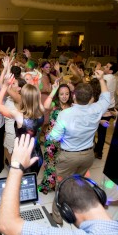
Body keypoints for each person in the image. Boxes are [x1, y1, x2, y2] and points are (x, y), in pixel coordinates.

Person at [48, 69, 110, 224]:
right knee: (79, 183)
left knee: (61, 185)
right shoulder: (97, 109)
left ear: (74, 96)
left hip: (69, 157)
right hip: (88, 156)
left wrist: (49, 134)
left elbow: (55, 137)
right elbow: (106, 97)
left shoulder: (66, 114)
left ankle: (57, 216)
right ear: (90, 98)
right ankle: (76, 210)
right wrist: (101, 79)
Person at [0, 78, 44, 175]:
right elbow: (38, 97)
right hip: (37, 154)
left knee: (21, 184)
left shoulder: (19, 116)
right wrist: (35, 85)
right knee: (31, 183)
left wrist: (4, 86)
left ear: (23, 98)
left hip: (23, 155)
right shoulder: (41, 111)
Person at [39, 83, 73, 194]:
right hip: (52, 141)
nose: (64, 96)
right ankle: (47, 185)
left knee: (61, 164)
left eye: (67, 94)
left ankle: (59, 185)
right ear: (58, 95)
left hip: (65, 141)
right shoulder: (54, 105)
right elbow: (45, 105)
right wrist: (53, 90)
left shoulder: (72, 107)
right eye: (61, 94)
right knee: (49, 163)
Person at [94, 62, 118, 160]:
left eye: (107, 66)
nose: (105, 67)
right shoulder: (114, 78)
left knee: (96, 129)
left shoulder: (106, 78)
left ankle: (97, 150)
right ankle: (99, 152)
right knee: (102, 131)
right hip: (111, 106)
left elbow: (94, 82)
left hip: (104, 108)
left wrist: (97, 69)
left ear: (111, 71)